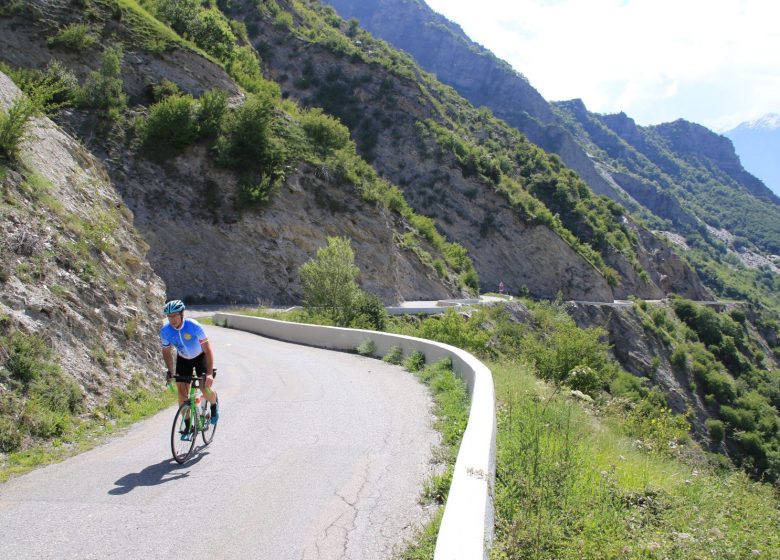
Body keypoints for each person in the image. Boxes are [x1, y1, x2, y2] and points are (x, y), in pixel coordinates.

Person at [160, 300, 218, 437]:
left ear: (182, 314)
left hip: (200, 357)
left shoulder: (193, 326)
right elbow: (166, 352)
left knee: (204, 387)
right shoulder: (165, 331)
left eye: (175, 315)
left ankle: (214, 404)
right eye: (169, 317)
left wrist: (209, 373)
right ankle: (187, 426)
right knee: (181, 394)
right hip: (183, 359)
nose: (172, 319)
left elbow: (208, 350)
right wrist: (170, 371)